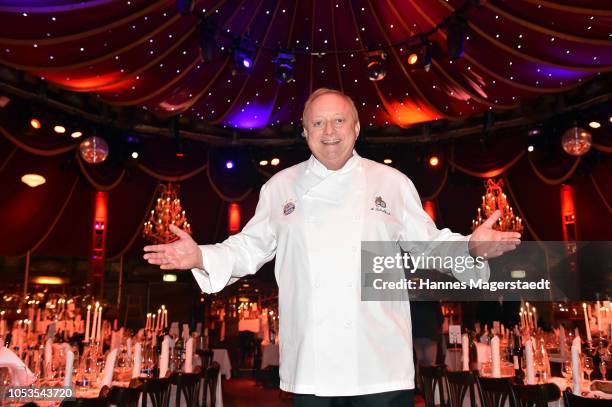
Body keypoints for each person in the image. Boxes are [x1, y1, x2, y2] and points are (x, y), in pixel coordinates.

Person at [144, 88, 521, 407]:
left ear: (356, 128)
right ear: (305, 132)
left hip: (381, 363)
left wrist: (471, 248)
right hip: (312, 364)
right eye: (318, 123)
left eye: (339, 121)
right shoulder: (280, 187)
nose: (329, 131)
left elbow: (428, 245)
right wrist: (202, 256)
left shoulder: (391, 182)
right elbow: (249, 247)